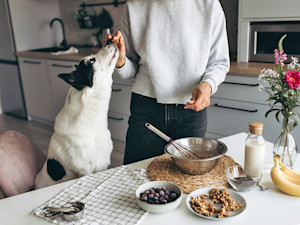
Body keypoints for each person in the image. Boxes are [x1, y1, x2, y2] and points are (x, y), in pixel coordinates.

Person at [108, 0, 230, 164]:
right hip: (146, 108)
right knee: (136, 175)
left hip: (190, 110)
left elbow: (219, 62)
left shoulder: (209, 5)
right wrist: (120, 60)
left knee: (187, 180)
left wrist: (207, 85)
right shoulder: (133, 6)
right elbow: (130, 69)